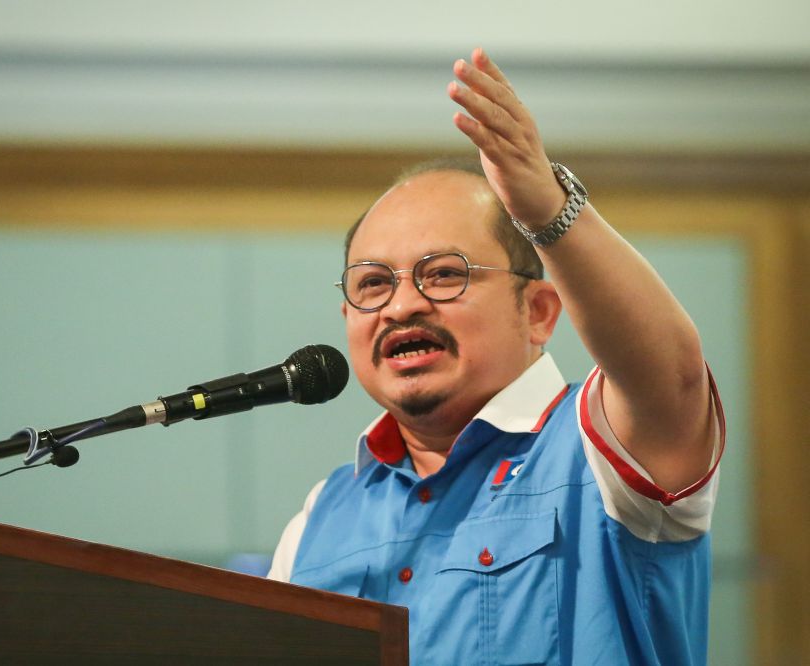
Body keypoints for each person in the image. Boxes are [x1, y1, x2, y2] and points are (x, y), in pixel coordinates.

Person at [267, 48, 724, 665]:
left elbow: (673, 375)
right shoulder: (317, 520)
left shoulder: (603, 452)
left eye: (443, 273)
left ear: (537, 312)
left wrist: (548, 211)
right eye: (373, 283)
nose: (401, 305)